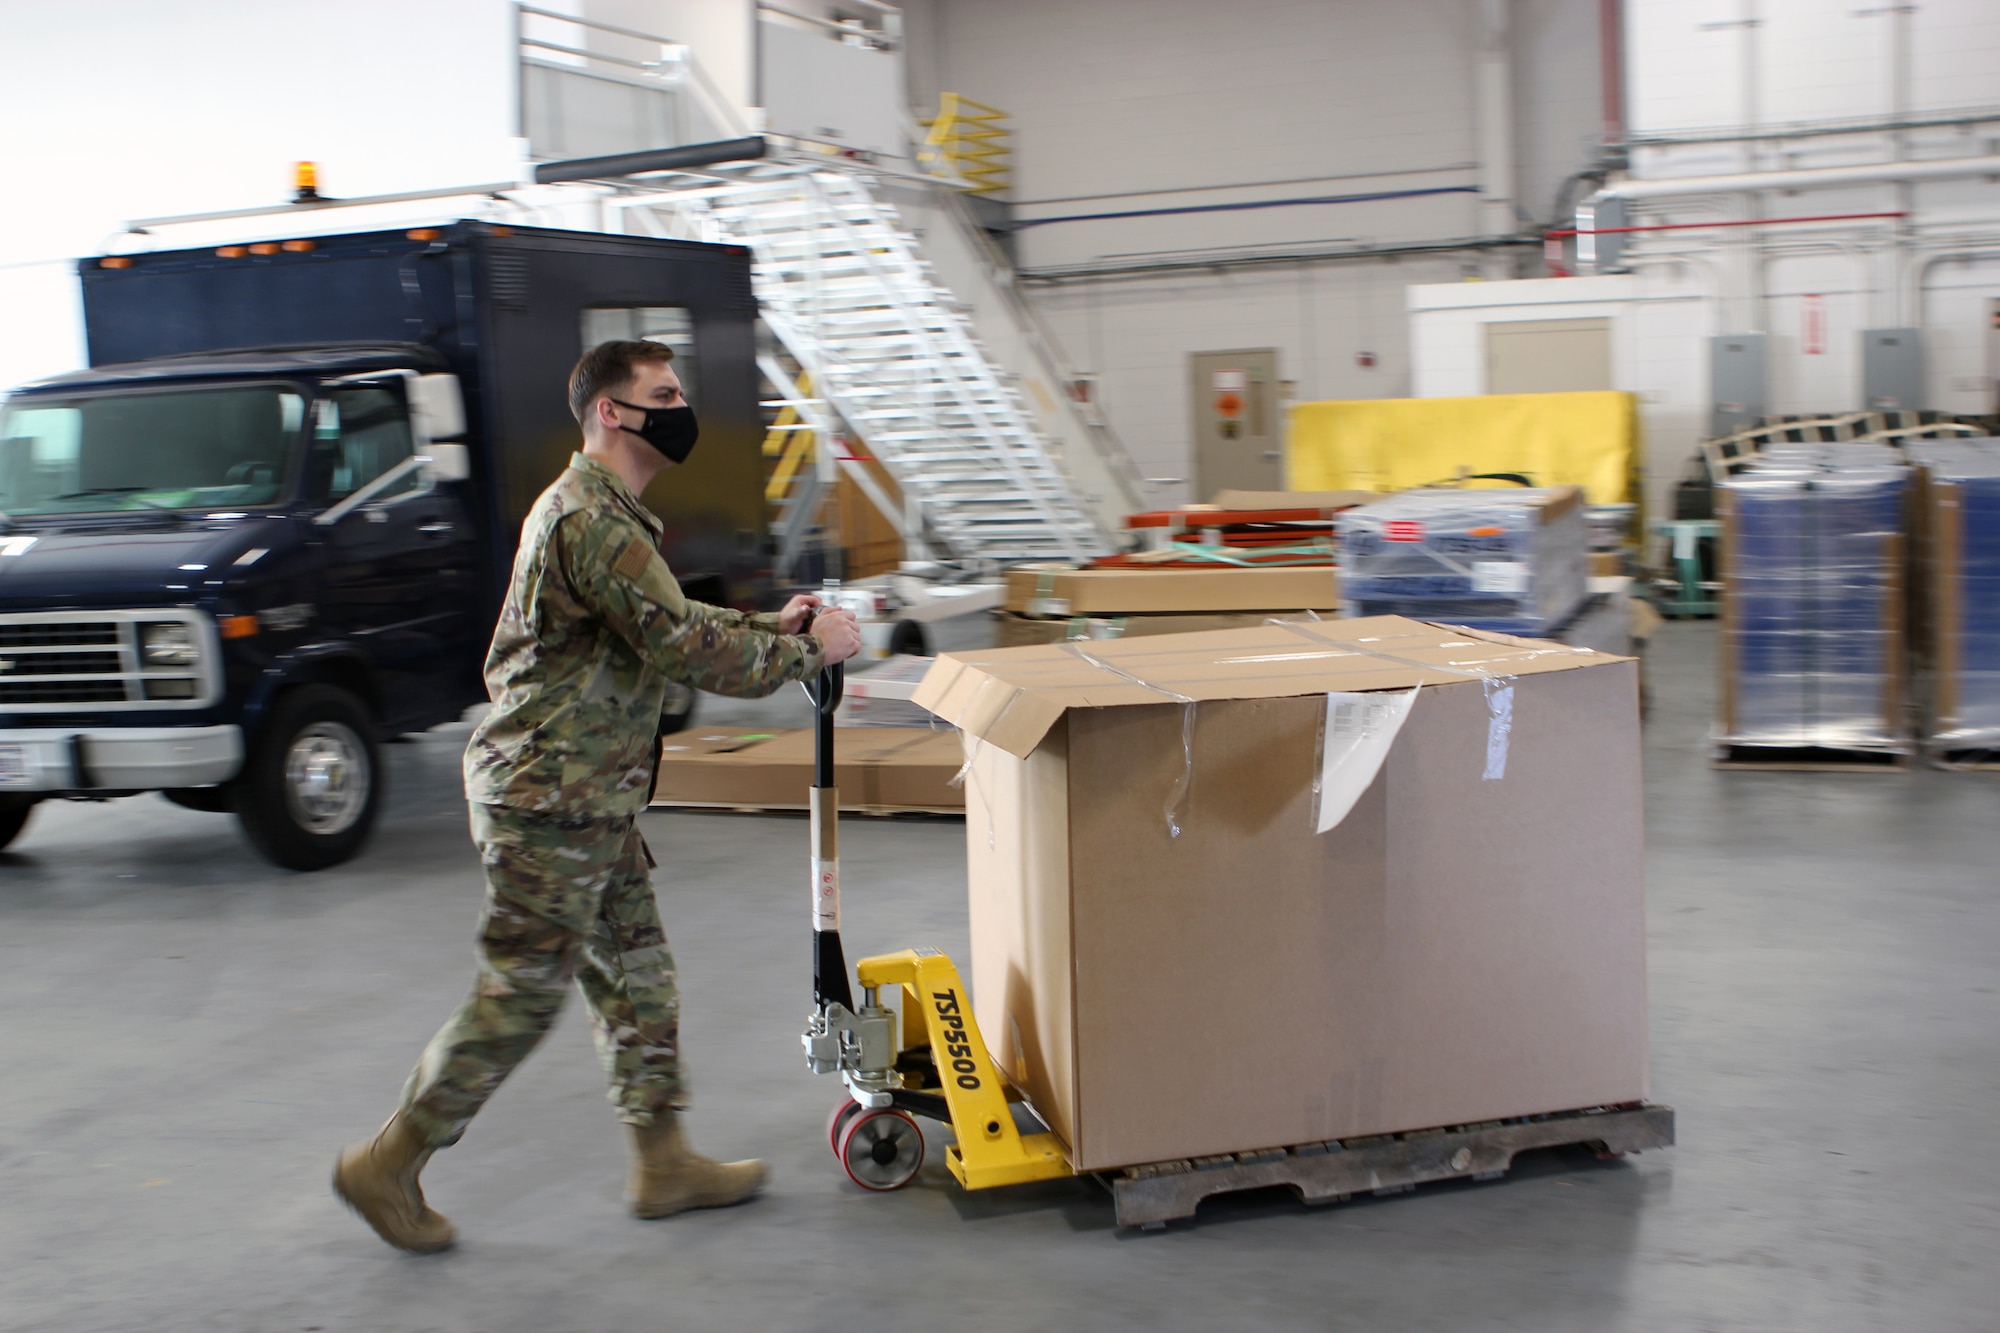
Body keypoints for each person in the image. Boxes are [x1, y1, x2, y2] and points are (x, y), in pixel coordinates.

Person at [332, 339, 862, 1253]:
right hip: (549, 798)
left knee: (638, 975)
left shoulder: (605, 514)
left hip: (588, 796)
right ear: (611, 413)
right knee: (522, 993)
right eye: (661, 393)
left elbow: (674, 622)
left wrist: (771, 623)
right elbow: (684, 650)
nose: (680, 406)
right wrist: (812, 650)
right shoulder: (592, 520)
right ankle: (388, 1160)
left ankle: (663, 1159)